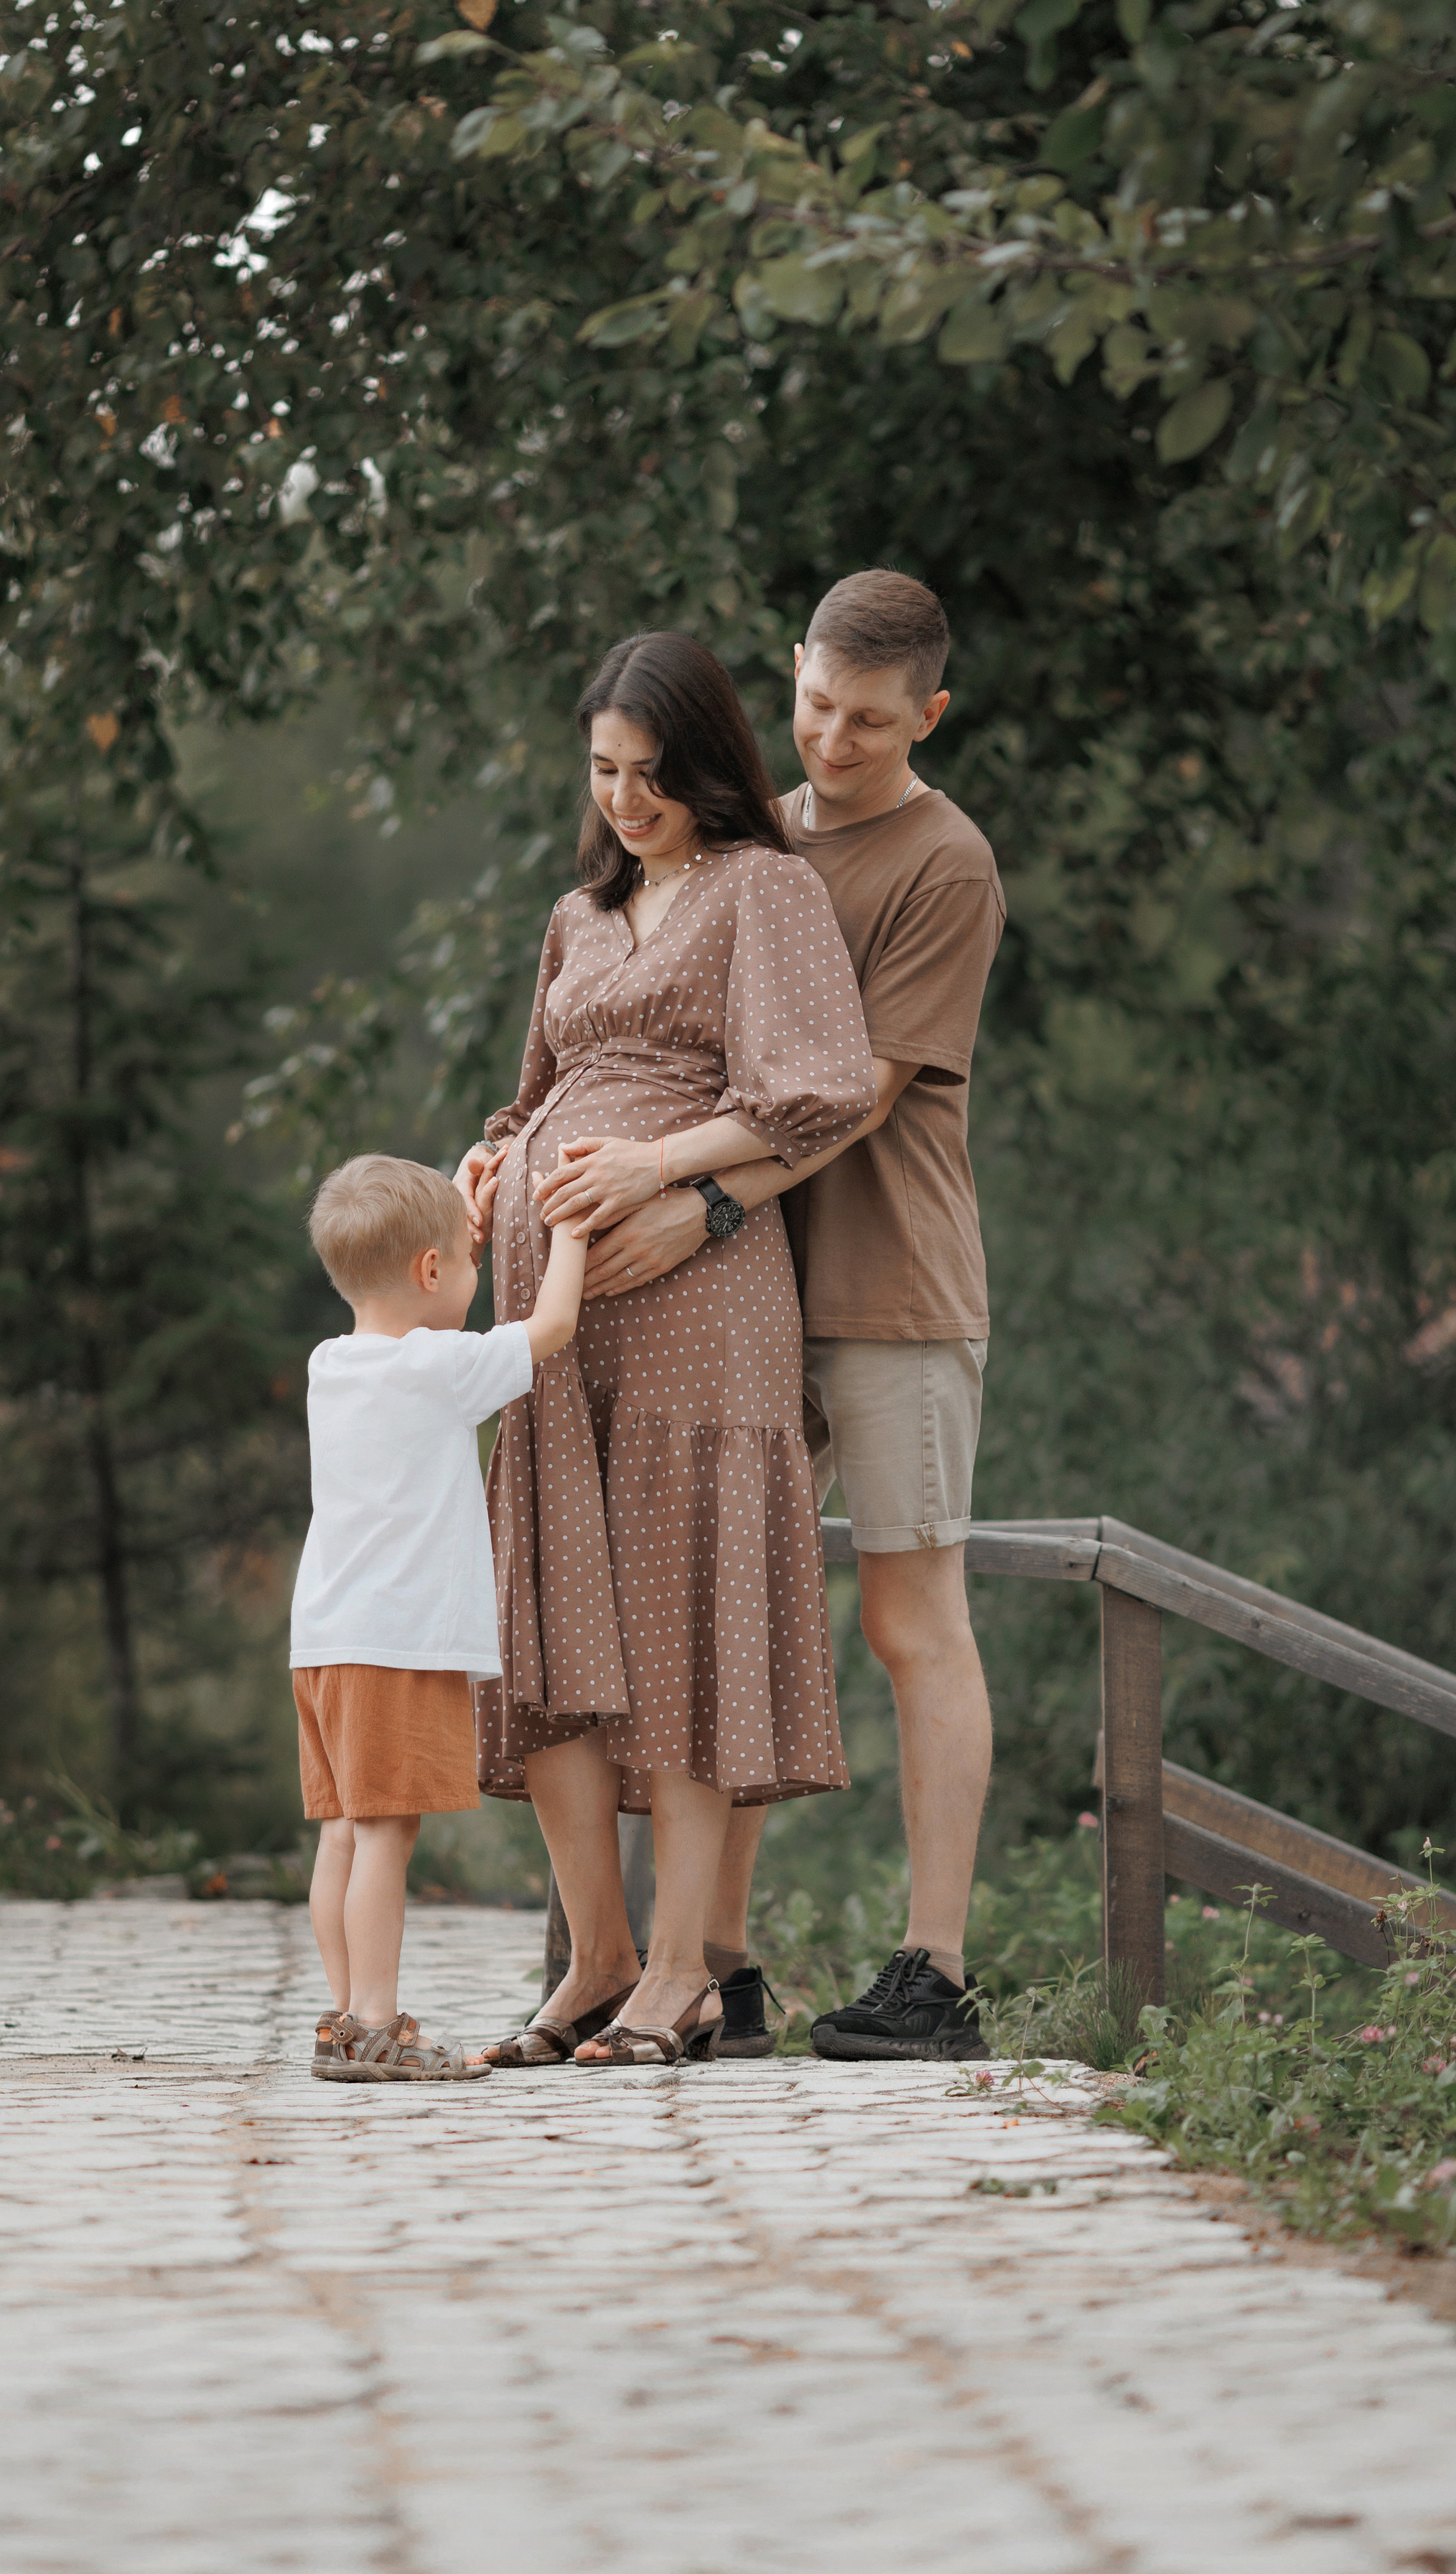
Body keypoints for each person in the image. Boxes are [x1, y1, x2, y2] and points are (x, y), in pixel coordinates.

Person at [573, 572, 1004, 2061]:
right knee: (732, 1617)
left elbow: (857, 1091)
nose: (831, 737)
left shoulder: (944, 862)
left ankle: (933, 1972)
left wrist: (689, 1199)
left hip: (883, 1285)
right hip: (734, 1299)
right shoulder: (750, 836)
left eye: (868, 719)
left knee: (907, 1619)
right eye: (814, 704)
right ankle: (715, 1966)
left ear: (926, 715)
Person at [456, 631, 876, 2071]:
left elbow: (814, 1093)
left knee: (684, 1622)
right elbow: (536, 1099)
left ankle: (685, 1970)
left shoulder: (767, 891)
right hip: (555, 1325)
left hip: (699, 1301)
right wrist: (488, 1160)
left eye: (648, 774)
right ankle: (597, 1956)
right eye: (601, 771)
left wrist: (648, 1171)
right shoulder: (580, 916)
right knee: (557, 1623)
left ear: (705, 767)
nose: (623, 799)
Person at [291, 1152, 587, 2082]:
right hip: (398, 1646)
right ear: (430, 1272)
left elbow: (412, 1271)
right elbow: (554, 1325)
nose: (475, 1271)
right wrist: (572, 1228)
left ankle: (345, 2019)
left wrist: (458, 1209)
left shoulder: (331, 1364)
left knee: (343, 1829)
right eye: (470, 1257)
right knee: (388, 1833)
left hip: (326, 1643)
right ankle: (379, 2022)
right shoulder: (438, 1367)